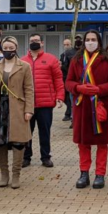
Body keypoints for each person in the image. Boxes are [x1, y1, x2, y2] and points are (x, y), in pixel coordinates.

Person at [66, 30, 108, 189]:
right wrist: (78, 87)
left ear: (99, 42)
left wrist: (98, 89)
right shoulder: (76, 59)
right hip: (82, 107)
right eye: (87, 39)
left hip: (100, 106)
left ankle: (100, 174)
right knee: (83, 143)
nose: (90, 42)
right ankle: (84, 173)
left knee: (102, 143)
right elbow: (68, 82)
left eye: (93, 39)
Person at [0, 36, 35, 188]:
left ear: (16, 48)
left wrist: (29, 110)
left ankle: (16, 175)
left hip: (17, 109)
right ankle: (4, 174)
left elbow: (29, 90)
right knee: (0, 141)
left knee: (18, 141)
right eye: (5, 48)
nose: (8, 50)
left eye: (11, 48)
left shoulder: (25, 66)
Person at [22, 33, 65, 168]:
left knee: (44, 132)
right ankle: (26, 157)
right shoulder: (22, 61)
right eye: (31, 40)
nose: (34, 42)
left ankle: (46, 157)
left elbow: (58, 79)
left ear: (42, 43)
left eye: (36, 40)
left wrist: (60, 96)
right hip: (27, 104)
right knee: (26, 132)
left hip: (46, 103)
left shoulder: (51, 59)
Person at [60, 37, 77, 122]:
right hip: (63, 79)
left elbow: (70, 68)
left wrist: (62, 66)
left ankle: (69, 114)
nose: (66, 46)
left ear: (71, 45)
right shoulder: (63, 55)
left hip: (70, 79)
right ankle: (69, 113)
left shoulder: (74, 55)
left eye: (68, 44)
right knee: (64, 97)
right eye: (65, 45)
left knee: (70, 97)